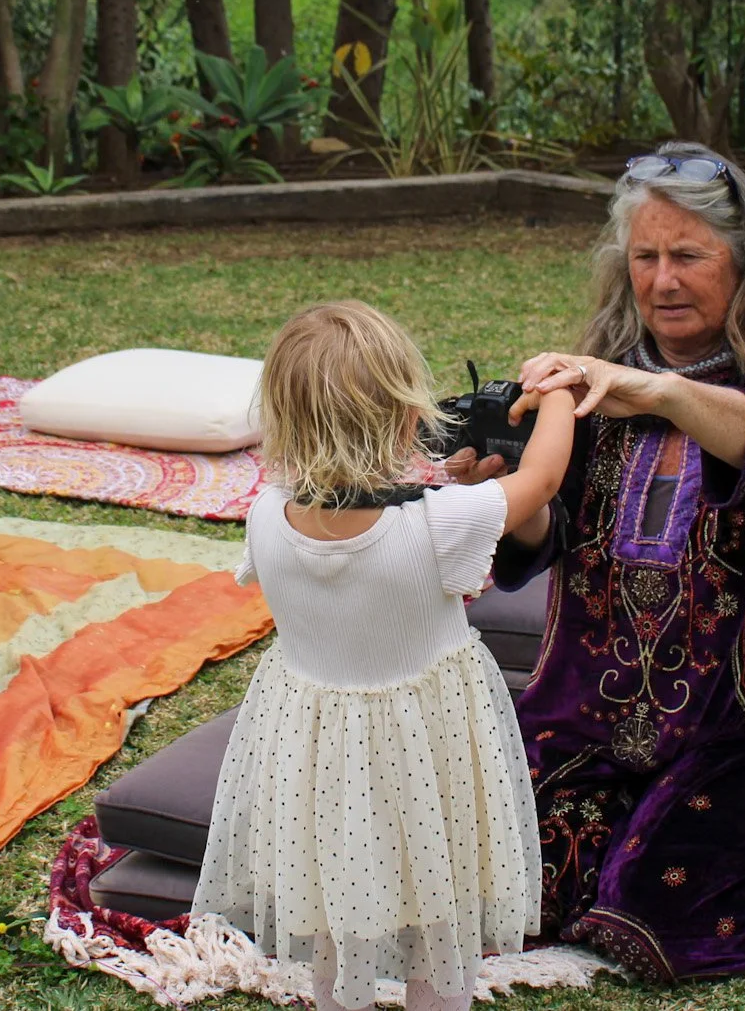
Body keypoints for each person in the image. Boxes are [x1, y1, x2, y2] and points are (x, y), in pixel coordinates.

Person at [444, 142, 745, 982]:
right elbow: (535, 555)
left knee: (662, 916)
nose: (663, 279)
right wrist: (506, 493)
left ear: (743, 264)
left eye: (688, 255)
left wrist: (661, 391)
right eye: (645, 256)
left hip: (744, 732)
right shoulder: (590, 394)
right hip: (590, 720)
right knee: (495, 889)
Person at [195, 301, 579, 1011]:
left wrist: (447, 478)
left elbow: (366, 517)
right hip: (429, 753)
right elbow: (545, 479)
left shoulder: (265, 513)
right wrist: (556, 391)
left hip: (317, 756)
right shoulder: (440, 523)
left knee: (334, 907)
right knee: (443, 908)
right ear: (406, 416)